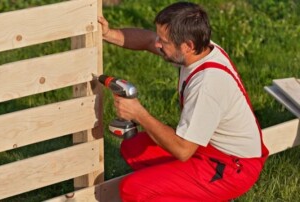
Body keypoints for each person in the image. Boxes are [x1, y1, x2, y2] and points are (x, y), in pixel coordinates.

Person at [98, 2, 269, 202]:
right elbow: (147, 41)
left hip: (231, 167)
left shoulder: (207, 85)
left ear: (188, 45)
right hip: (210, 147)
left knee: (133, 190)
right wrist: (108, 33)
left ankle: (204, 193)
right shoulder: (200, 49)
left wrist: (139, 114)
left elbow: (182, 150)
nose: (158, 44)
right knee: (133, 149)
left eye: (164, 41)